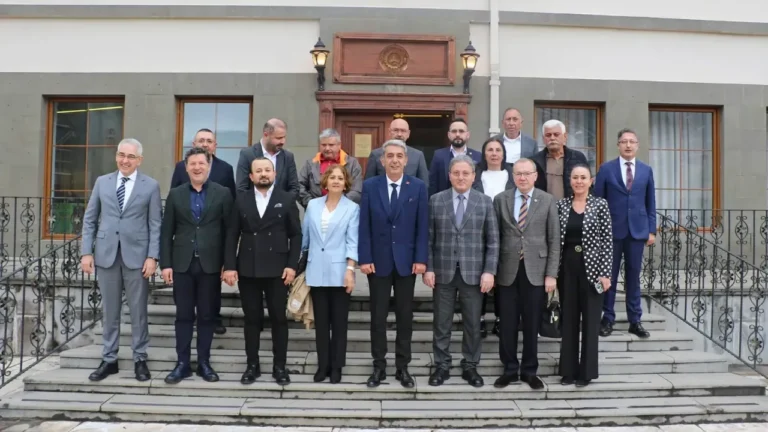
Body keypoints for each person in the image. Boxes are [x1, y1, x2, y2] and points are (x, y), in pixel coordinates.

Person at [80, 138, 162, 382]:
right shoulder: (102, 182)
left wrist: (152, 256)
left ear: (140, 160)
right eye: (121, 155)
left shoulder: (151, 186)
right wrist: (86, 252)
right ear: (116, 156)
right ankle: (109, 358)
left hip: (137, 257)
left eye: (131, 157)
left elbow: (155, 224)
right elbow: (90, 219)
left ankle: (139, 358)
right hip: (106, 254)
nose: (125, 160)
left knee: (138, 311)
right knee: (110, 310)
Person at [223, 157, 301, 386]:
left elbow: (296, 235)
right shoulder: (241, 199)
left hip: (278, 270)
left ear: (274, 174)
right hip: (248, 268)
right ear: (251, 176)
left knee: (279, 319)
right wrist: (229, 266)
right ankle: (252, 366)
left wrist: (292, 265)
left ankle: (280, 366)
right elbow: (231, 235)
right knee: (252, 320)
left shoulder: (286, 199)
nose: (263, 174)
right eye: (259, 171)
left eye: (267, 170)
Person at [358, 139, 428, 389]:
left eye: (400, 156)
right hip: (377, 263)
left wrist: (421, 259)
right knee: (377, 317)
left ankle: (402, 367)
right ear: (382, 160)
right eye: (390, 156)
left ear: (406, 160)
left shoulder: (417, 187)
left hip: (407, 263)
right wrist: (364, 258)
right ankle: (379, 366)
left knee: (404, 318)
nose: (395, 160)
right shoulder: (370, 186)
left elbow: (422, 226)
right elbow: (363, 225)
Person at [424, 155, 499, 388]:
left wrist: (489, 271)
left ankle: (470, 365)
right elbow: (428, 238)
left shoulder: (485, 202)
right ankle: (441, 365)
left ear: (473, 176)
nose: (461, 177)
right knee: (442, 323)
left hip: (474, 274)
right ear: (449, 175)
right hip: (443, 273)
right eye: (456, 173)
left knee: (472, 323)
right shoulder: (436, 201)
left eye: (466, 173)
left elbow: (493, 241)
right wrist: (429, 268)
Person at [160, 147, 233, 384]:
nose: (197, 167)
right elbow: (166, 231)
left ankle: (204, 362)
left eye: (201, 163)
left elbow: (230, 232)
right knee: (183, 316)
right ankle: (182, 364)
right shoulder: (176, 194)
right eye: (192, 164)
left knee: (206, 316)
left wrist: (229, 264)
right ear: (186, 167)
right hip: (182, 264)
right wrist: (166, 264)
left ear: (209, 166)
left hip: (211, 265)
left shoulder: (222, 194)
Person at [492, 158, 560, 390]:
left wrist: (551, 274)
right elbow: (494, 238)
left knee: (532, 323)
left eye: (526, 173)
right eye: (518, 173)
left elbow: (554, 239)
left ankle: (530, 370)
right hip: (507, 270)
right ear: (513, 176)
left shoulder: (547, 200)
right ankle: (509, 369)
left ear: (535, 176)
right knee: (508, 322)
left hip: (536, 271)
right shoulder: (500, 200)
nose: (522, 177)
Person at [169, 127, 235, 336]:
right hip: (186, 242)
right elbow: (174, 195)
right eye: (201, 140)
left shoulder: (225, 169)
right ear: (193, 144)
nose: (205, 144)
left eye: (209, 141)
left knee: (211, 291)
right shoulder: (181, 167)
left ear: (215, 146)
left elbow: (230, 203)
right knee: (185, 302)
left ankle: (213, 318)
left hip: (212, 241)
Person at [594, 128, 656, 339]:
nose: (628, 145)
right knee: (608, 277)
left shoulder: (646, 170)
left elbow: (650, 202)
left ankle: (635, 320)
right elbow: (598, 202)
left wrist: (651, 229)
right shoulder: (606, 169)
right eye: (624, 141)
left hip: (637, 232)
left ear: (637, 145)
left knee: (633, 277)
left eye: (632, 141)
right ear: (618, 145)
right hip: (611, 231)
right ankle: (607, 318)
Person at [301, 164, 359, 384]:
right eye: (332, 177)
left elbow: (352, 241)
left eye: (340, 178)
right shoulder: (313, 206)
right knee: (322, 323)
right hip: (316, 270)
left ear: (346, 184)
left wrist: (350, 270)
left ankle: (337, 367)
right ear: (324, 182)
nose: (336, 181)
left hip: (340, 272)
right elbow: (305, 239)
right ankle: (322, 365)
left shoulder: (352, 208)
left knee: (339, 323)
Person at [557, 163, 613, 387]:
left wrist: (605, 273)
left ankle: (586, 372)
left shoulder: (600, 205)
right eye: (575, 177)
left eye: (583, 177)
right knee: (569, 319)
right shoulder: (561, 205)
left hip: (593, 270)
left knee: (590, 321)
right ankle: (568, 371)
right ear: (570, 181)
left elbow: (608, 241)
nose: (579, 181)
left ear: (591, 181)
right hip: (566, 268)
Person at [472, 137, 515, 338]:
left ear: (503, 153)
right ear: (484, 153)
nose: (494, 153)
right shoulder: (476, 174)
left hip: (507, 231)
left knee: (502, 277)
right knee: (481, 275)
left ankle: (500, 319)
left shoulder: (512, 174)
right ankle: (478, 319)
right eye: (490, 149)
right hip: (478, 231)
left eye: (498, 149)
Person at [235, 118, 300, 202]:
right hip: (254, 211)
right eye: (278, 138)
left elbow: (294, 188)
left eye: (284, 137)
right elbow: (241, 188)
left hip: (282, 211)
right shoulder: (247, 154)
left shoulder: (288, 157)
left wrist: (282, 206)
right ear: (266, 135)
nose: (283, 141)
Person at [298, 128, 363, 208]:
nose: (327, 148)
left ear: (339, 145)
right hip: (316, 211)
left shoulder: (352, 163)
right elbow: (299, 186)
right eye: (324, 145)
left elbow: (357, 190)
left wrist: (338, 205)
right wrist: (312, 204)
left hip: (344, 211)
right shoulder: (310, 163)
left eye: (331, 145)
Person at [531, 119, 588, 201]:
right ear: (543, 139)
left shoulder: (578, 157)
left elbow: (588, 185)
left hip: (571, 208)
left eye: (556, 134)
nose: (552, 138)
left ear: (565, 137)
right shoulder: (535, 161)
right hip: (544, 209)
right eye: (548, 135)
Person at [364, 118, 429, 185]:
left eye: (403, 131)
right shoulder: (376, 154)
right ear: (389, 132)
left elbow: (424, 184)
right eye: (396, 130)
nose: (399, 134)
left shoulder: (418, 155)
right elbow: (368, 184)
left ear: (408, 134)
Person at [428, 118, 481, 196]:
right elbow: (433, 184)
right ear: (449, 135)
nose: (457, 134)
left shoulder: (477, 156)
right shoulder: (439, 155)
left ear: (468, 135)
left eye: (461, 131)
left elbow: (478, 184)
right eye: (454, 131)